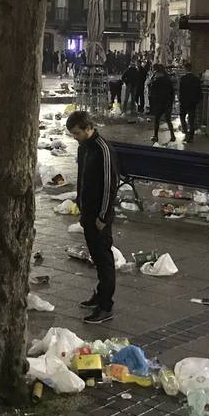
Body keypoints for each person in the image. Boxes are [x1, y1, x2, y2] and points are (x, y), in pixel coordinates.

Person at [67, 110, 118, 324]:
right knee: (96, 257)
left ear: (89, 128)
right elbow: (82, 178)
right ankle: (100, 294)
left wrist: (103, 216)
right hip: (88, 212)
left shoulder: (103, 149)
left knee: (104, 259)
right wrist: (80, 204)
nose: (75, 137)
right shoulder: (84, 147)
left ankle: (106, 306)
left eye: (77, 133)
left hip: (99, 214)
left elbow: (109, 185)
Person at [148, 64, 176, 144]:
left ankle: (156, 136)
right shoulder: (168, 80)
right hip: (168, 102)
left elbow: (151, 87)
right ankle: (172, 135)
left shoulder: (156, 81)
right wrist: (171, 101)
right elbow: (172, 92)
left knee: (157, 120)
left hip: (159, 102)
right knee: (168, 119)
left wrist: (152, 77)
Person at [178, 64, 202, 144]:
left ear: (185, 69)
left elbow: (180, 91)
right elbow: (199, 91)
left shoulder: (183, 79)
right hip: (192, 102)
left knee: (182, 117)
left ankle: (186, 134)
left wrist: (180, 100)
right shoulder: (196, 79)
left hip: (184, 102)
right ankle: (191, 137)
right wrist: (197, 100)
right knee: (191, 120)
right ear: (191, 69)